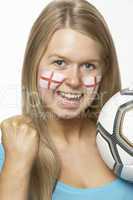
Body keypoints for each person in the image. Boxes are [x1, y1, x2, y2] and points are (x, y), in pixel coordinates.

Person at [0, 0, 133, 200]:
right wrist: (17, 165)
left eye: (88, 66)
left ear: (104, 70)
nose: (74, 81)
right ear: (34, 64)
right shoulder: (10, 153)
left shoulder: (126, 143)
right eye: (60, 62)